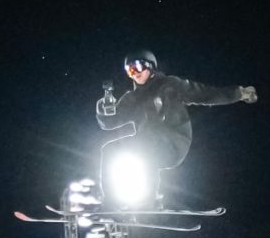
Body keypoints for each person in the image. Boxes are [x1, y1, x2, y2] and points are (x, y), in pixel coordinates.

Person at [108, 49, 258, 171]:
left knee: (146, 147)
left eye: (138, 67)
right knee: (112, 149)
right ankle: (112, 200)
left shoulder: (169, 85)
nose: (135, 73)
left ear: (150, 66)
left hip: (174, 141)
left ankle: (147, 200)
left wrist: (239, 93)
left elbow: (205, 93)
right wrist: (104, 109)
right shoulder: (132, 98)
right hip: (150, 142)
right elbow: (110, 121)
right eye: (130, 70)